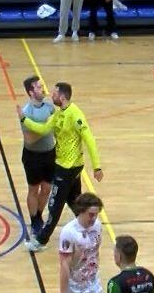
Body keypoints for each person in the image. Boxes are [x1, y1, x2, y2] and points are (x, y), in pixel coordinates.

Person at [21, 82, 103, 251]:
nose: (51, 95)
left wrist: (97, 167)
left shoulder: (75, 114)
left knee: (54, 205)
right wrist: (24, 120)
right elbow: (43, 129)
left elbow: (89, 139)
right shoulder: (58, 115)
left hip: (68, 168)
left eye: (55, 93)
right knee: (74, 201)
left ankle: (41, 241)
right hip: (64, 166)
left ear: (62, 96)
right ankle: (91, 227)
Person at [19, 76, 57, 238]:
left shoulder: (49, 106)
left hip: (50, 153)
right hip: (33, 156)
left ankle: (40, 215)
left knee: (47, 188)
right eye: (39, 87)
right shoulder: (27, 112)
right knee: (33, 189)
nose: (43, 89)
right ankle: (34, 220)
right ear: (30, 92)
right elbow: (29, 139)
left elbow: (56, 127)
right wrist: (46, 128)